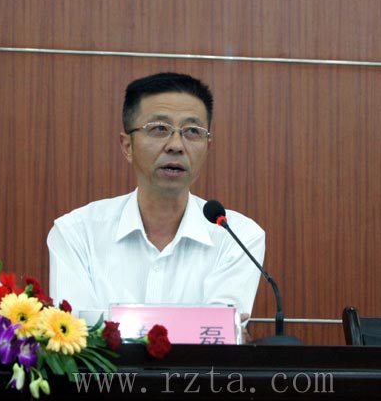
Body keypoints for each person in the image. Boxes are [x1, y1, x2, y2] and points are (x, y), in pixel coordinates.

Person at [48, 72, 265, 331]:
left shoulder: (237, 236)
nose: (176, 145)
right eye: (159, 129)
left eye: (192, 131)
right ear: (127, 146)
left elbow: (216, 341)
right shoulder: (76, 233)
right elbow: (76, 337)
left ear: (207, 147)